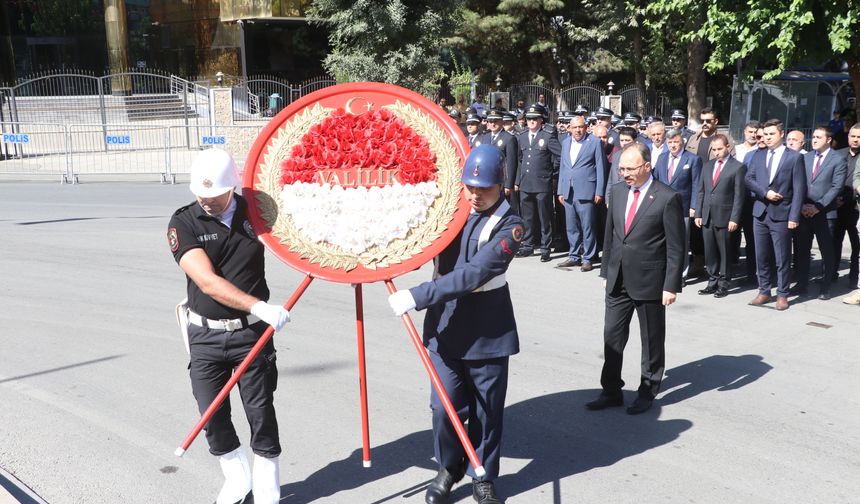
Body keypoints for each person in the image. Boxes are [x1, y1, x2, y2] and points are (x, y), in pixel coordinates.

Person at [387, 145, 522, 504]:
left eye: (484, 189)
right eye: (470, 187)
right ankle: (449, 467)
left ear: (501, 186)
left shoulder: (512, 225)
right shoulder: (451, 211)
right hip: (445, 326)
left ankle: (483, 474)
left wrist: (418, 294)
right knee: (442, 407)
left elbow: (475, 274)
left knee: (487, 410)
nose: (475, 195)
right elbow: (419, 242)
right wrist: (388, 260)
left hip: (486, 329)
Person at [168, 148, 290, 504]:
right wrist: (260, 305)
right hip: (205, 334)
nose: (206, 202)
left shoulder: (258, 210)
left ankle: (268, 488)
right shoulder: (184, 222)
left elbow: (297, 236)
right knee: (211, 412)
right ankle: (237, 479)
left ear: (232, 187)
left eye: (214, 196)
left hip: (251, 332)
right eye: (200, 195)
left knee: (260, 411)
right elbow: (205, 281)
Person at [587, 142, 684, 415]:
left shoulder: (666, 197)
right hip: (617, 279)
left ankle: (647, 390)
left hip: (651, 281)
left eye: (629, 168)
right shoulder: (617, 192)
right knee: (612, 337)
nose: (624, 174)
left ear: (646, 166)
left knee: (651, 340)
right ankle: (611, 390)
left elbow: (676, 246)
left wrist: (671, 285)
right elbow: (611, 235)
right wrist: (606, 270)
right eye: (621, 169)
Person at [745, 119, 807, 311]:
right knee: (761, 255)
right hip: (760, 212)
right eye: (765, 134)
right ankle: (764, 290)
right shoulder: (758, 155)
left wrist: (794, 217)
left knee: (782, 258)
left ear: (781, 134)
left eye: (772, 134)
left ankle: (782, 294)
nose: (767, 137)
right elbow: (748, 178)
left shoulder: (794, 157)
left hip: (782, 213)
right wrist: (765, 192)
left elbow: (799, 189)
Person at [793, 126, 848, 300]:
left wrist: (818, 207)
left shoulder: (838, 159)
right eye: (813, 137)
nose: (814, 140)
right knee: (802, 250)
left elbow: (836, 187)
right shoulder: (805, 158)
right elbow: (798, 182)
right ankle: (801, 284)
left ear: (828, 140)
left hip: (825, 213)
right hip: (804, 211)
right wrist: (801, 205)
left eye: (818, 137)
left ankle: (826, 286)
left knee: (827, 251)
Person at [694, 135, 747, 297]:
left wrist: (734, 218)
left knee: (724, 250)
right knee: (710, 250)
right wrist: (698, 213)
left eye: (719, 149)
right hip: (707, 215)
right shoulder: (707, 166)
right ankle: (712, 280)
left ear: (727, 147)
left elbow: (739, 196)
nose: (716, 152)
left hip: (725, 216)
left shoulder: (737, 167)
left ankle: (723, 283)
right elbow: (701, 191)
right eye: (714, 149)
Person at [556, 115, 607, 271]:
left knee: (587, 227)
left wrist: (599, 191)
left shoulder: (595, 142)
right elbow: (563, 168)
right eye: (575, 127)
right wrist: (560, 190)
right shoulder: (565, 143)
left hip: (587, 190)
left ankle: (589, 257)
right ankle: (574, 256)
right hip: (568, 191)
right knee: (571, 226)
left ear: (586, 128)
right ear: (570, 128)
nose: (578, 130)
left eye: (581, 127)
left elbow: (600, 167)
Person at [652, 128, 703, 280]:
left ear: (683, 142)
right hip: (662, 206)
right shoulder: (662, 158)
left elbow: (697, 185)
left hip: (683, 207)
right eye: (670, 142)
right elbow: (656, 181)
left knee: (681, 242)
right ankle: (664, 270)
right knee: (663, 240)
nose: (673, 145)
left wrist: (694, 206)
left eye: (676, 142)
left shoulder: (693, 159)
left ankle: (681, 273)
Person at [515, 103, 562, 262]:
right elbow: (520, 161)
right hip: (526, 183)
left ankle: (545, 247)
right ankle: (528, 245)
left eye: (535, 119)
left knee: (544, 217)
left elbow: (560, 156)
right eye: (529, 119)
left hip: (542, 183)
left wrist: (553, 175)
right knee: (527, 217)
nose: (532, 122)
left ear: (542, 120)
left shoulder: (547, 136)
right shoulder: (521, 136)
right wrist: (517, 181)